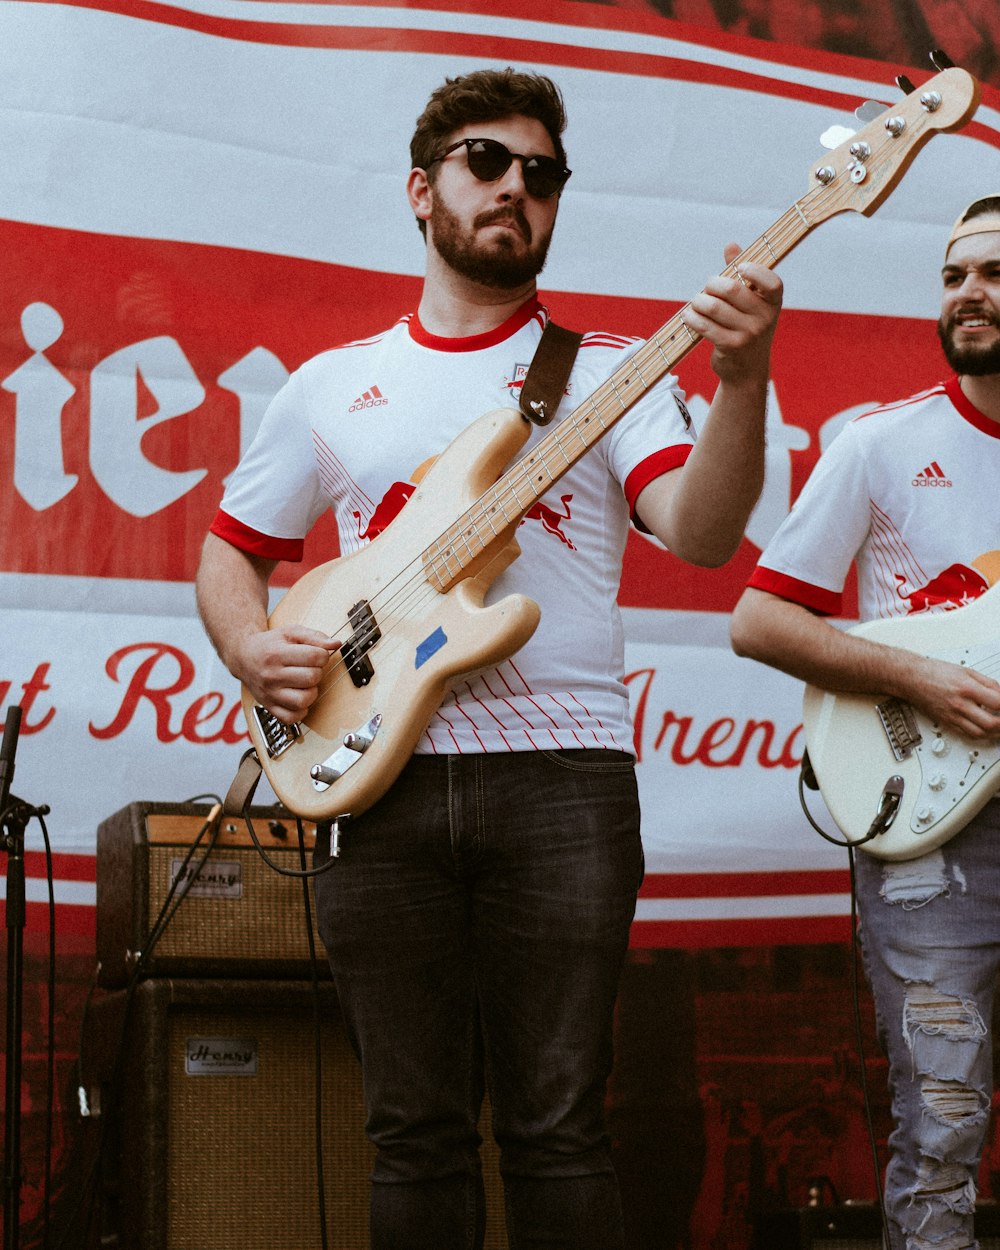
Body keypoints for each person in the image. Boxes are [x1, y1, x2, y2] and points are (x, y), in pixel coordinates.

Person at [196, 66, 781, 1250]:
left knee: (560, 1124)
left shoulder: (613, 373)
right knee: (411, 1128)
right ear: (423, 189)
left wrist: (741, 376)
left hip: (564, 773)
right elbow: (228, 553)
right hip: (377, 773)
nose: (517, 187)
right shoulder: (331, 386)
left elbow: (707, 536)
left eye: (543, 173)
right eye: (487, 162)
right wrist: (255, 648)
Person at [729, 194, 1000, 1250]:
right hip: (932, 831)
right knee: (939, 1120)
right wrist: (920, 679)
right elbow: (759, 619)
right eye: (953, 275)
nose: (969, 292)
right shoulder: (880, 446)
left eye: (993, 272)